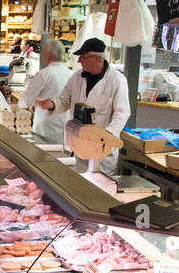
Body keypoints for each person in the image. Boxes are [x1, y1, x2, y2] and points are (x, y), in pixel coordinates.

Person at [54, 37, 131, 174]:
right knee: (77, 186)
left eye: (82, 57)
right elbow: (64, 101)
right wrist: (51, 104)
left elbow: (122, 113)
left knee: (98, 189)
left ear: (96, 58)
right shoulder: (77, 77)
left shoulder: (117, 81)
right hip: (78, 145)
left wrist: (107, 136)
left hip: (101, 151)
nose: (78, 61)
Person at [24, 38, 75, 145]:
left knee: (43, 157)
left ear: (50, 55)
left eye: (44, 53)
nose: (42, 56)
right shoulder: (72, 74)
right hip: (65, 125)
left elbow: (26, 100)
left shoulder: (43, 74)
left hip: (45, 127)